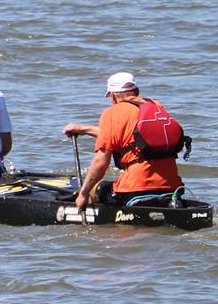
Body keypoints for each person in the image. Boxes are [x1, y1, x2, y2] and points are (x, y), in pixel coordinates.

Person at [61, 71, 188, 211]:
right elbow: (129, 138)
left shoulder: (113, 113)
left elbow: (101, 163)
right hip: (173, 187)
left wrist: (84, 193)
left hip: (134, 188)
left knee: (95, 187)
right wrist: (84, 129)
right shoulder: (156, 107)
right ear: (137, 91)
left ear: (113, 96)